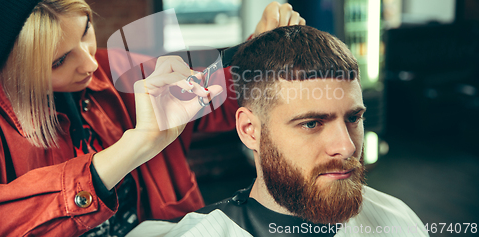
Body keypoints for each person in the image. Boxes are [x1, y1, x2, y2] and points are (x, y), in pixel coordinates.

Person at [0, 0, 305, 237]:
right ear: (14, 71)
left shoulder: (118, 67)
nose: (90, 64)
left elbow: (223, 101)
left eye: (86, 30)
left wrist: (261, 50)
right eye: (59, 61)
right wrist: (137, 145)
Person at [128, 25, 429, 237]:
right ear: (249, 130)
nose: (347, 146)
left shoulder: (397, 219)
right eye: (311, 123)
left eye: (353, 118)